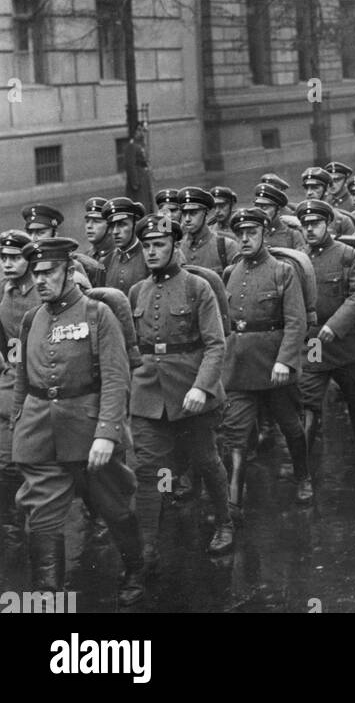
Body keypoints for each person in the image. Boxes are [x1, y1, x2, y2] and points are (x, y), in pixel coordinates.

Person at [11, 238, 145, 605]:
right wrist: (20, 417)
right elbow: (23, 373)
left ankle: (136, 567)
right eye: (35, 273)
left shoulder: (97, 315)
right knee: (42, 514)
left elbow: (117, 379)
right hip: (40, 434)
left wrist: (106, 434)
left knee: (115, 506)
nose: (40, 280)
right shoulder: (30, 319)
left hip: (88, 433)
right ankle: (48, 596)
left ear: (69, 272)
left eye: (49, 272)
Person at [128, 214, 232, 566]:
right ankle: (148, 546)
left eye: (159, 245)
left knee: (205, 459)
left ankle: (224, 521)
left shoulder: (197, 287)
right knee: (151, 470)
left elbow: (216, 344)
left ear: (174, 246)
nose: (152, 252)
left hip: (190, 393)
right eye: (147, 246)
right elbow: (133, 349)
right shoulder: (136, 292)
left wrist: (202, 387)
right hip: (148, 396)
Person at [221, 207, 310, 515]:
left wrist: (286, 360)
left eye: (251, 233)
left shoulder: (282, 271)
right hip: (239, 368)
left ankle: (303, 477)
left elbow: (296, 322)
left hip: (275, 368)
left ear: (263, 234)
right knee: (236, 434)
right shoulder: (231, 273)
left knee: (290, 426)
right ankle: (234, 502)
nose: (245, 239)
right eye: (240, 234)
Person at [295, 200, 355, 468]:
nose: (309, 229)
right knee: (309, 397)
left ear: (327, 224)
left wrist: (335, 326)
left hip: (345, 340)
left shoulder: (348, 254)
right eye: (305, 225)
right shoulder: (298, 258)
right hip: (314, 341)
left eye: (315, 224)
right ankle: (303, 459)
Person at [0, 231, 40, 539]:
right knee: (7, 454)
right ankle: (13, 522)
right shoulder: (4, 289)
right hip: (14, 375)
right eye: (3, 259)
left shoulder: (41, 290)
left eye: (15, 258)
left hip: (44, 374)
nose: (8, 264)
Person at [180, 186, 238, 275]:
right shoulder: (178, 249)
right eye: (184, 213)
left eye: (193, 213)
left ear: (206, 214)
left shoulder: (227, 246)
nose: (187, 219)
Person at [124, 124, 155, 214]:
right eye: (138, 130)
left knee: (146, 200)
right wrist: (135, 182)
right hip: (138, 178)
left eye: (142, 131)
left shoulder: (141, 144)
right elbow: (130, 165)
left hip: (144, 177)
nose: (141, 133)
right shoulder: (131, 145)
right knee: (139, 201)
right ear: (134, 132)